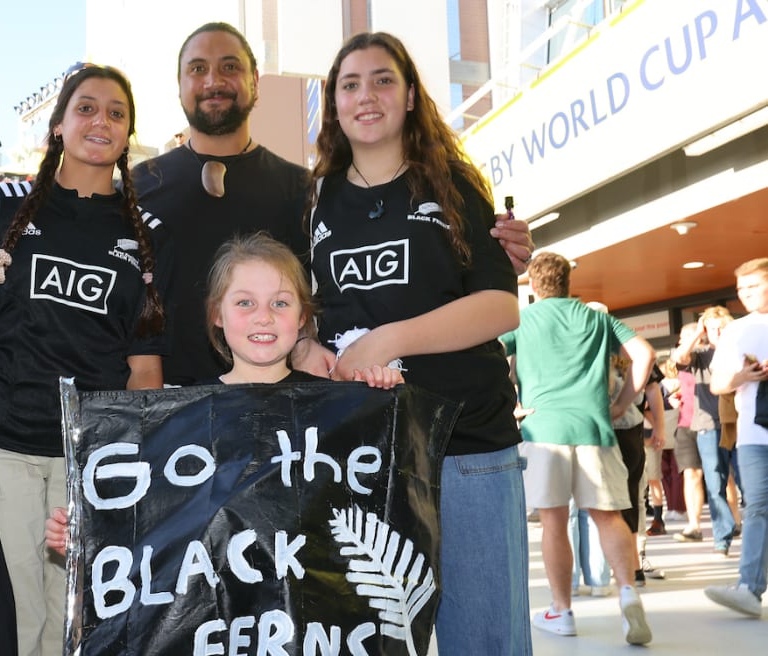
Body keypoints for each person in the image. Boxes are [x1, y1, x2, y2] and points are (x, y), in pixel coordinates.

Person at [0, 22, 536, 380]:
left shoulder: (309, 191)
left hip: (281, 424)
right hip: (165, 422)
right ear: (181, 85)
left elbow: (340, 293)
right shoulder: (134, 189)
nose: (213, 80)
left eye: (229, 67)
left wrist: (490, 249)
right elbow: (52, 252)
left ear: (253, 83)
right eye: (198, 69)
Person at [0, 64, 171, 656]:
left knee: (77, 629)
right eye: (86, 108)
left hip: (86, 460)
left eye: (116, 113)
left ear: (128, 134)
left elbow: (144, 367)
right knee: (11, 623)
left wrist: (142, 468)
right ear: (58, 125)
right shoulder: (1, 205)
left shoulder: (147, 233)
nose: (101, 121)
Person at [303, 31, 528, 654]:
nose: (365, 95)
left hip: (467, 447)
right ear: (334, 104)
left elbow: (500, 304)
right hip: (363, 457)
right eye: (350, 84)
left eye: (382, 80)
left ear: (408, 97)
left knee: (484, 640)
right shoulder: (316, 200)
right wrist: (304, 352)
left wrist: (389, 339)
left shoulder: (452, 182)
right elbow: (304, 314)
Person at [44, 231, 402, 552]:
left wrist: (388, 404)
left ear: (302, 316)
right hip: (215, 614)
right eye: (245, 303)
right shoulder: (180, 416)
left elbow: (380, 501)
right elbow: (153, 521)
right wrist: (89, 534)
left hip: (308, 613)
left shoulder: (336, 408)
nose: (264, 317)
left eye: (280, 303)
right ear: (217, 314)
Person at [501, 252, 655, 645]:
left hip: (543, 427)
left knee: (554, 522)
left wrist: (510, 404)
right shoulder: (598, 318)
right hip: (594, 428)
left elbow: (490, 357)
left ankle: (561, 610)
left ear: (533, 287)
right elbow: (644, 354)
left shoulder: (522, 319)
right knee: (608, 517)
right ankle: (627, 592)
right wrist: (622, 404)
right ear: (569, 283)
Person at [705, 257, 768, 617]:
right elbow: (717, 384)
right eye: (741, 289)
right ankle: (749, 587)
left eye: (754, 286)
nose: (745, 294)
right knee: (757, 505)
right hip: (753, 433)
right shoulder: (735, 330)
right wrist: (743, 376)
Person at [672, 306, 737, 555]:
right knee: (715, 482)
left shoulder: (740, 352)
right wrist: (697, 333)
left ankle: (745, 527)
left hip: (742, 424)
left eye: (721, 327)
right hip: (708, 426)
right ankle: (722, 538)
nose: (717, 333)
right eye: (712, 329)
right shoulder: (700, 355)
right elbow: (679, 358)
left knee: (746, 482)